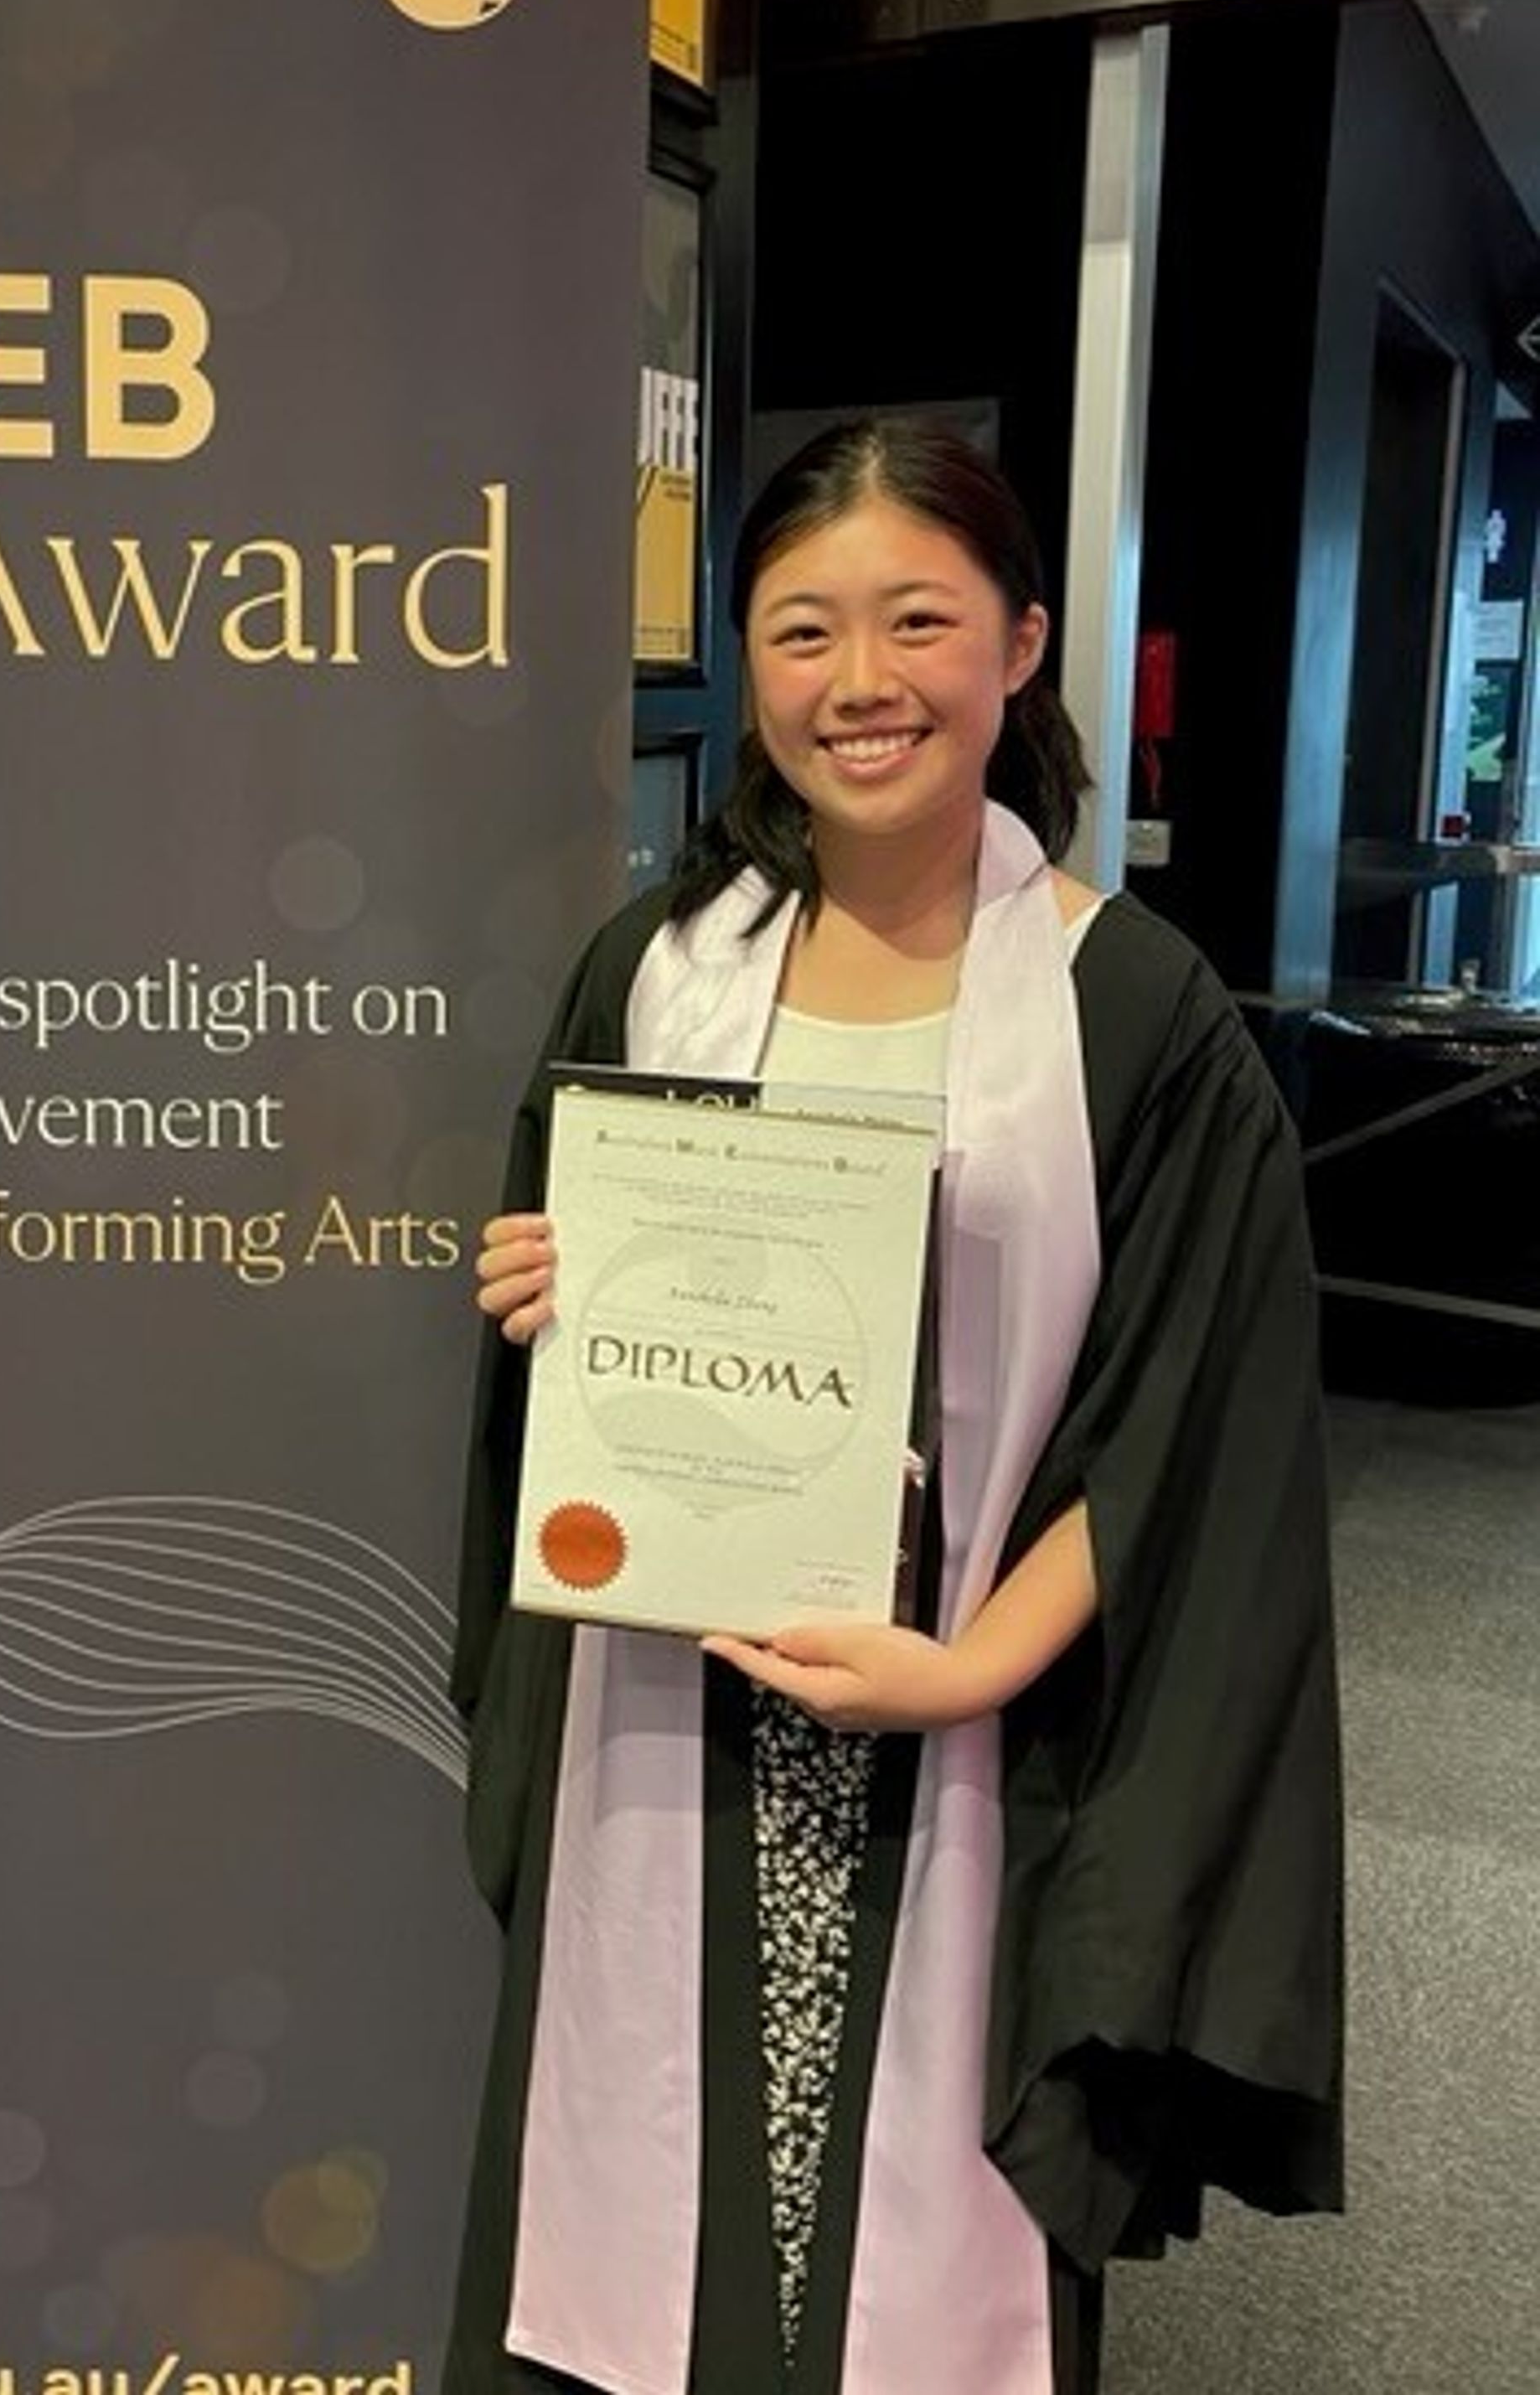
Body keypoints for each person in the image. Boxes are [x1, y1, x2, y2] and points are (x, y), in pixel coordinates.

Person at [444, 418, 1343, 2395]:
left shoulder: (1131, 1013)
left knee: (903, 2262)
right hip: (666, 1705)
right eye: (800, 631)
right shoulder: (652, 971)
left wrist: (967, 1670)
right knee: (633, 2228)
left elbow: (1193, 1427)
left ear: (1017, 644)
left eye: (916, 621)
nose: (858, 681)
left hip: (967, 1732)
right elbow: (582, 1332)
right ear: (746, 668)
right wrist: (542, 1289)